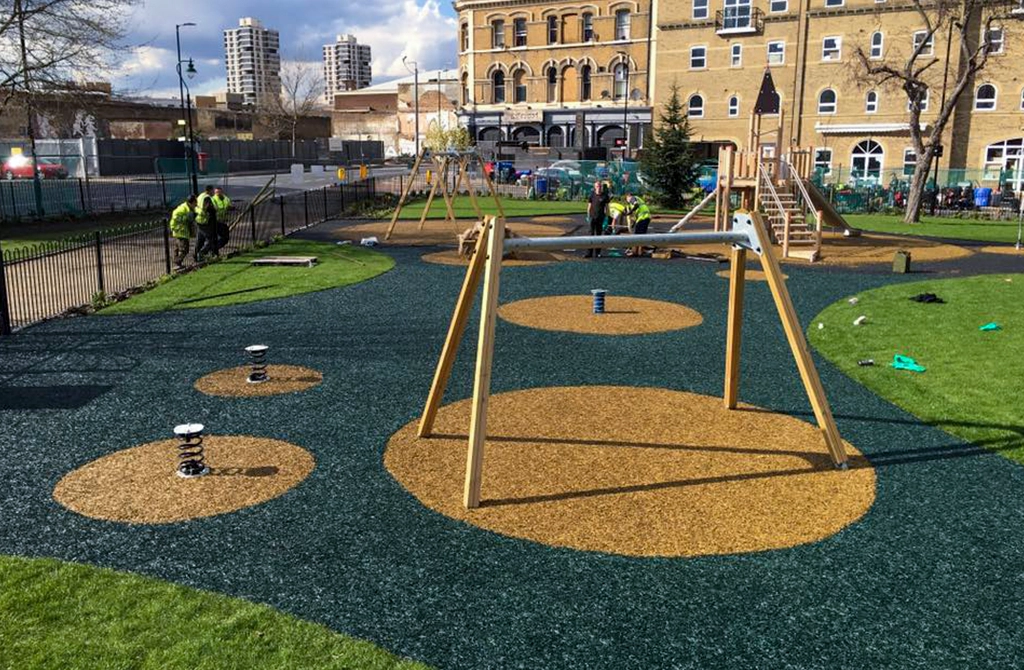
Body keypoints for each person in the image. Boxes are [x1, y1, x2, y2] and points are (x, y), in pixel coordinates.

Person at [168, 195, 196, 271]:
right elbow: (178, 217)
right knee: (184, 249)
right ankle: (177, 262)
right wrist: (188, 218)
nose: (196, 204)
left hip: (180, 229)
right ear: (192, 202)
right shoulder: (185, 209)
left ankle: (177, 263)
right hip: (180, 230)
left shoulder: (186, 207)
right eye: (195, 203)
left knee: (178, 247)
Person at [586, 181, 610, 258]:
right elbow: (589, 206)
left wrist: (606, 218)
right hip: (592, 217)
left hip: (601, 217)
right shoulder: (592, 195)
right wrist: (588, 215)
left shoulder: (605, 196)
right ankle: (589, 253)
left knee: (599, 235)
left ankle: (597, 253)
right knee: (591, 234)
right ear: (594, 187)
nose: (599, 187)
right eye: (597, 186)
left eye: (600, 186)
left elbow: (607, 208)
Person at [194, 185, 217, 262]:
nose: (213, 192)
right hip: (205, 221)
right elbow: (208, 208)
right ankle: (201, 253)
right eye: (213, 191)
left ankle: (196, 255)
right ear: (209, 190)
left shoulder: (201, 196)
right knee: (210, 239)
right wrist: (214, 210)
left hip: (199, 220)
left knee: (200, 240)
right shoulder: (207, 198)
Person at [624, 193, 651, 257]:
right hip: (646, 217)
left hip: (642, 218)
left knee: (637, 235)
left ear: (628, 197)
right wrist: (634, 223)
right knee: (642, 235)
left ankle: (634, 251)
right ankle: (640, 251)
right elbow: (637, 213)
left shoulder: (632, 198)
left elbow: (636, 205)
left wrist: (630, 211)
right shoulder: (638, 198)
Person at [212, 186, 233, 253]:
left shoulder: (225, 198)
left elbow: (229, 205)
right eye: (216, 192)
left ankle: (214, 249)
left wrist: (231, 208)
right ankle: (214, 249)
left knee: (225, 238)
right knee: (222, 237)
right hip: (216, 221)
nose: (218, 193)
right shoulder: (213, 199)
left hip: (223, 221)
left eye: (219, 192)